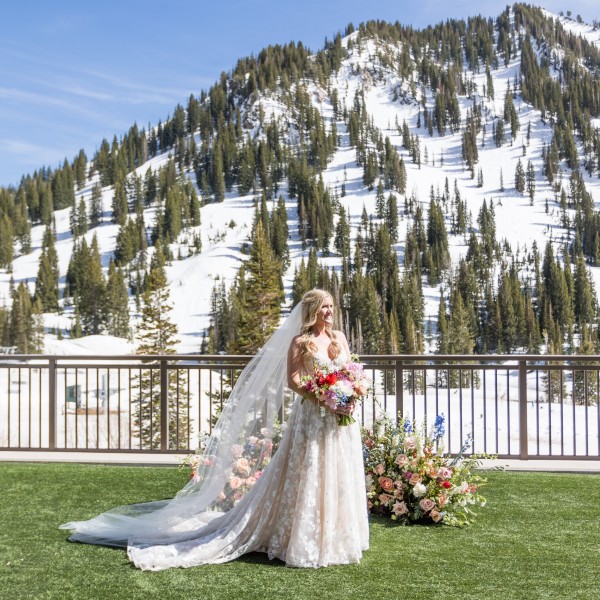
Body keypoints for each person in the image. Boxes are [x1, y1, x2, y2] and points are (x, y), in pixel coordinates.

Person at [60, 289, 369, 570]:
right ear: (312, 310)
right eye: (324, 307)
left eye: (331, 306)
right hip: (313, 417)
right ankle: (303, 537)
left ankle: (337, 536)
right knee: (311, 471)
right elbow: (293, 380)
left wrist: (353, 392)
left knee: (339, 472)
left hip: (342, 420)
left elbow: (350, 370)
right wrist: (323, 398)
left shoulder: (339, 338)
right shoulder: (301, 342)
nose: (330, 311)